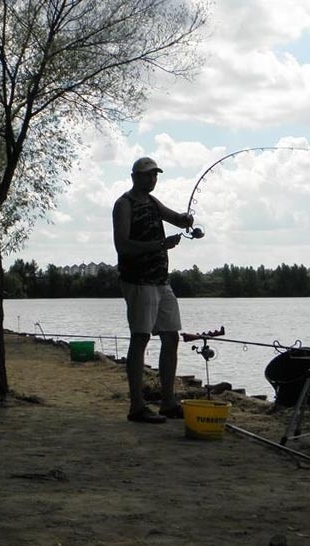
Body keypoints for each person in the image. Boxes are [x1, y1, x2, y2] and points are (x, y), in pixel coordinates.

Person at [112, 157, 194, 424]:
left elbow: (175, 219)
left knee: (171, 337)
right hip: (138, 281)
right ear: (134, 176)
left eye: (155, 176)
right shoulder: (124, 204)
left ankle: (168, 403)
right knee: (140, 338)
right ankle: (137, 407)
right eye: (147, 176)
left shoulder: (152, 202)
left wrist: (186, 220)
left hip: (161, 281)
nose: (152, 180)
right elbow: (123, 246)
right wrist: (160, 245)